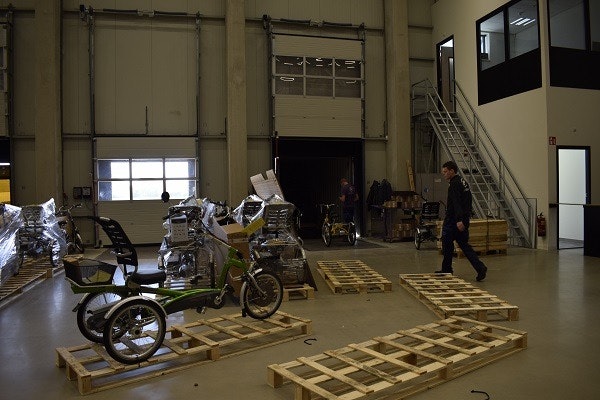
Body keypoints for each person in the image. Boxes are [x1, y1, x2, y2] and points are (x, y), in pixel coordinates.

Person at [437, 161, 488, 281]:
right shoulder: (463, 182)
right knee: (463, 245)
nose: (444, 174)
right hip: (462, 219)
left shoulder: (454, 184)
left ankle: (447, 269)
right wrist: (465, 219)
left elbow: (456, 203)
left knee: (447, 244)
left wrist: (459, 220)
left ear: (452, 171)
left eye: (445, 172)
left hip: (454, 221)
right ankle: (480, 267)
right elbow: (467, 202)